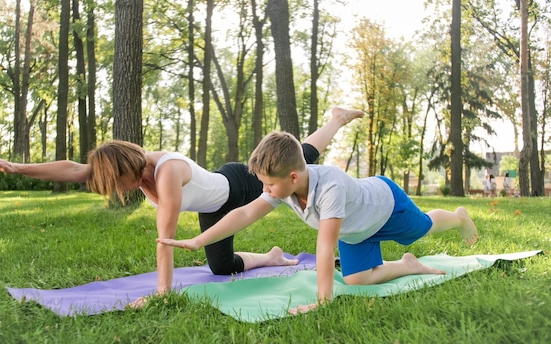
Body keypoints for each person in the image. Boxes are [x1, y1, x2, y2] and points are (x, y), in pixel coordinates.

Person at [0, 107, 364, 307]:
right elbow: (75, 169)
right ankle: (272, 256)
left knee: (302, 156)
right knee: (221, 268)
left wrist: (162, 292)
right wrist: (16, 167)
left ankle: (337, 120)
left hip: (235, 187)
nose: (117, 192)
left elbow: (167, 239)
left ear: (130, 171)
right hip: (212, 203)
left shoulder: (167, 173)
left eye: (117, 186)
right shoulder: (125, 164)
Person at [158, 130, 479, 315]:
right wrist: (200, 241)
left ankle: (457, 217)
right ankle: (408, 265)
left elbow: (325, 247)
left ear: (293, 176)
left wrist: (321, 302)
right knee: (355, 280)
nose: (265, 191)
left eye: (268, 185)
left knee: (422, 227)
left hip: (386, 206)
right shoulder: (284, 187)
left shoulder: (330, 188)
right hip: (357, 230)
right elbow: (244, 214)